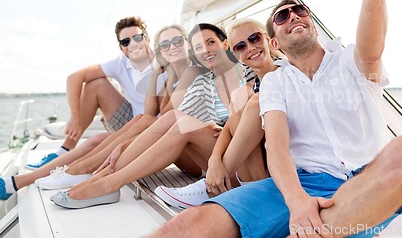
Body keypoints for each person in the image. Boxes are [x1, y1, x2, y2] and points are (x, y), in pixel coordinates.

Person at [148, 0, 402, 238]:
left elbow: (371, 47)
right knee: (185, 226)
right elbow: (278, 147)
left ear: (311, 23)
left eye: (299, 12)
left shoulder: (351, 60)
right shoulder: (275, 83)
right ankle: (325, 226)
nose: (293, 17)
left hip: (365, 181)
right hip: (301, 182)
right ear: (276, 43)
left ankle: (322, 226)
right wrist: (298, 202)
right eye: (281, 17)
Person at [51, 23, 256, 208]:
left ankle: (105, 181)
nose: (206, 50)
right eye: (200, 47)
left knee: (172, 119)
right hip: (215, 152)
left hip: (243, 163)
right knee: (169, 118)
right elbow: (158, 115)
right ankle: (100, 178)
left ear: (226, 44)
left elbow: (242, 121)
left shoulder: (240, 74)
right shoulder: (207, 80)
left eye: (211, 42)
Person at [0, 24, 200, 198]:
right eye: (165, 45)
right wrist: (158, 73)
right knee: (125, 124)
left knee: (143, 122)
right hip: (160, 134)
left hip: (185, 147)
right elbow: (154, 112)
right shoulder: (169, 74)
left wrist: (126, 144)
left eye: (177, 41)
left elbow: (163, 118)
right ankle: (49, 171)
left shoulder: (192, 71)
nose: (172, 47)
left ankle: (79, 171)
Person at [154, 18, 281, 208]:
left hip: (285, 162)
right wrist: (214, 160)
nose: (250, 47)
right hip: (260, 162)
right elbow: (230, 122)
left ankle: (211, 188)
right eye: (240, 46)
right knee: (238, 101)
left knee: (249, 102)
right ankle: (223, 185)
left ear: (269, 39)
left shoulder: (287, 73)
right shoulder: (250, 85)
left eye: (255, 38)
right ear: (235, 52)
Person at [24, 17, 157, 171]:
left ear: (147, 39)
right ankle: (64, 151)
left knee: (98, 140)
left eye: (137, 37)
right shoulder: (121, 63)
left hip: (156, 127)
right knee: (95, 84)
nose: (133, 44)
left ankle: (70, 169)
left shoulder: (163, 62)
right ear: (121, 47)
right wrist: (74, 117)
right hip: (131, 122)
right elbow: (74, 77)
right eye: (126, 41)